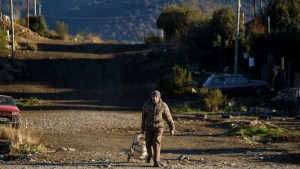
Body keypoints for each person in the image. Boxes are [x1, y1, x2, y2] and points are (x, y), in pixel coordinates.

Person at [141, 90, 175, 167]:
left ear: (159, 97)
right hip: (148, 127)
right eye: (153, 97)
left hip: (159, 127)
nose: (154, 98)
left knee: (156, 143)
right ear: (151, 97)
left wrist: (172, 128)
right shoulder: (146, 105)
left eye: (156, 97)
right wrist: (143, 129)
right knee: (148, 144)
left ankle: (156, 161)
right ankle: (150, 155)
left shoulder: (163, 106)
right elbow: (143, 117)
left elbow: (169, 117)